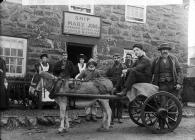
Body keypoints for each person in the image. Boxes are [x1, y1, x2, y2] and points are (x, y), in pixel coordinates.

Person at [106, 53, 124, 124]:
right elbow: (107, 74)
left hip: (120, 87)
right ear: (113, 59)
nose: (116, 59)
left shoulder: (123, 67)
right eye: (115, 58)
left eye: (117, 58)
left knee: (120, 102)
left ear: (119, 59)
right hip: (113, 87)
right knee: (112, 103)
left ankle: (119, 117)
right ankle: (112, 118)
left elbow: (125, 76)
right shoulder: (111, 67)